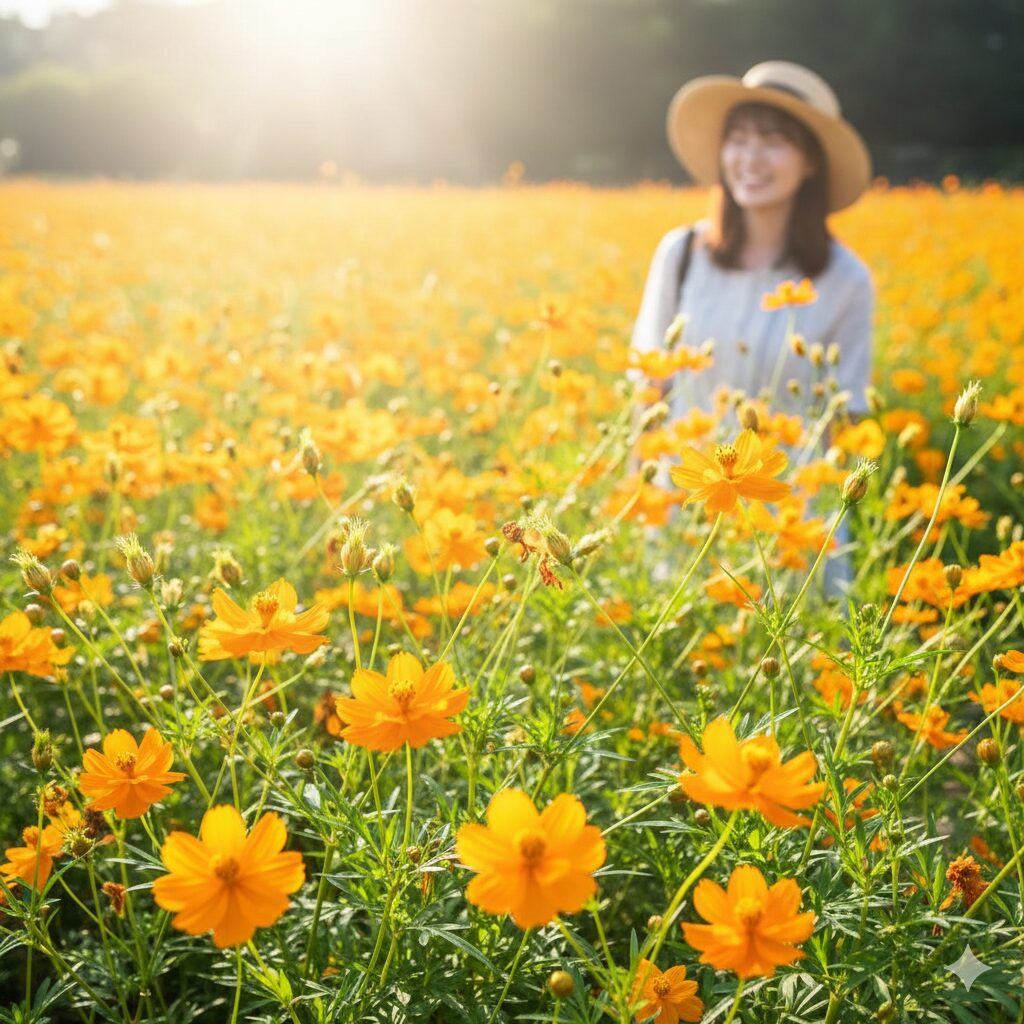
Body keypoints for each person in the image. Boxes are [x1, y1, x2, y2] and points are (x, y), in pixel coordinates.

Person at [631, 61, 875, 596]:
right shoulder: (681, 255)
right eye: (738, 139)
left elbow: (845, 422)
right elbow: (648, 390)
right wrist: (639, 498)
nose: (750, 158)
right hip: (685, 510)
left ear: (810, 161)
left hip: (787, 524)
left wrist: (824, 515)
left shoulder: (846, 278)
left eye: (772, 141)